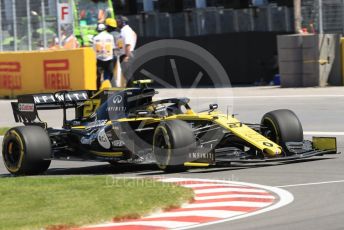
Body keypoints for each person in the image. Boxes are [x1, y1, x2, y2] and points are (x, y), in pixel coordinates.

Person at [92, 19, 117, 89]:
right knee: (111, 75)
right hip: (109, 59)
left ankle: (97, 91)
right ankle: (113, 89)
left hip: (99, 59)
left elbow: (93, 50)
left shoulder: (95, 38)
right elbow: (113, 48)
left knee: (98, 76)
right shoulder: (110, 36)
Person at [115, 16, 137, 85]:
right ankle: (129, 89)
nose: (117, 23)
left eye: (118, 22)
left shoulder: (126, 31)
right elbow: (134, 35)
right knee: (126, 75)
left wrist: (127, 56)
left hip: (126, 54)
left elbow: (128, 44)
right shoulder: (124, 30)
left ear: (123, 22)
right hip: (125, 53)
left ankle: (131, 90)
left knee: (128, 75)